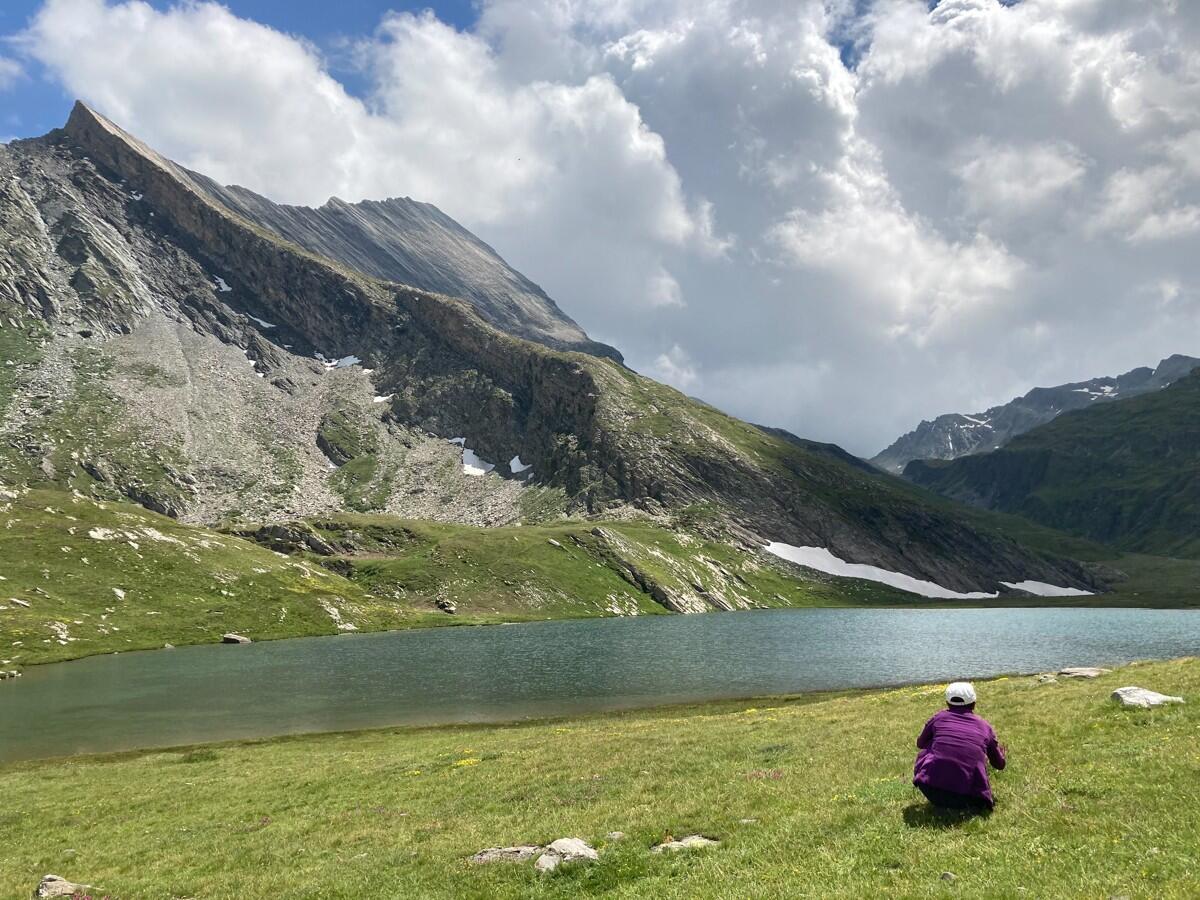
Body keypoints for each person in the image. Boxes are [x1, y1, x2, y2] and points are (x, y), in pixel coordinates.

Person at [913, 681, 1006, 812]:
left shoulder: (938, 718)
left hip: (930, 789)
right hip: (971, 798)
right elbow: (999, 765)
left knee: (929, 747)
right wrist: (1001, 754)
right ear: (974, 703)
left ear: (947, 703)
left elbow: (920, 744)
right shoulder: (984, 726)